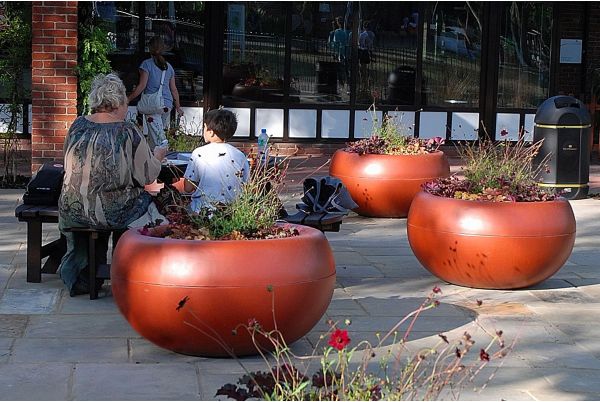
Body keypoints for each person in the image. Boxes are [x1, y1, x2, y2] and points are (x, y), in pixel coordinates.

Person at [59, 73, 168, 297]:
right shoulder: (127, 131)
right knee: (152, 205)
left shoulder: (77, 125)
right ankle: (128, 269)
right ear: (117, 102)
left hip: (73, 209)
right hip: (112, 211)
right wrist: (157, 156)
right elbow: (147, 176)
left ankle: (87, 273)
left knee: (113, 200)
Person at [183, 109, 250, 213]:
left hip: (202, 210)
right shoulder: (240, 155)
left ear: (211, 132)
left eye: (204, 128)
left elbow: (188, 187)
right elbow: (246, 185)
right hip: (232, 210)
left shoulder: (199, 153)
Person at [127, 36, 184, 150]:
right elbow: (173, 89)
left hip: (153, 105)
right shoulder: (168, 67)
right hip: (167, 105)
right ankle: (153, 160)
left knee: (158, 137)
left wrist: (128, 99)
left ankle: (164, 157)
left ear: (149, 48)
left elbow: (142, 86)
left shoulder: (146, 65)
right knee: (155, 134)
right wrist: (178, 107)